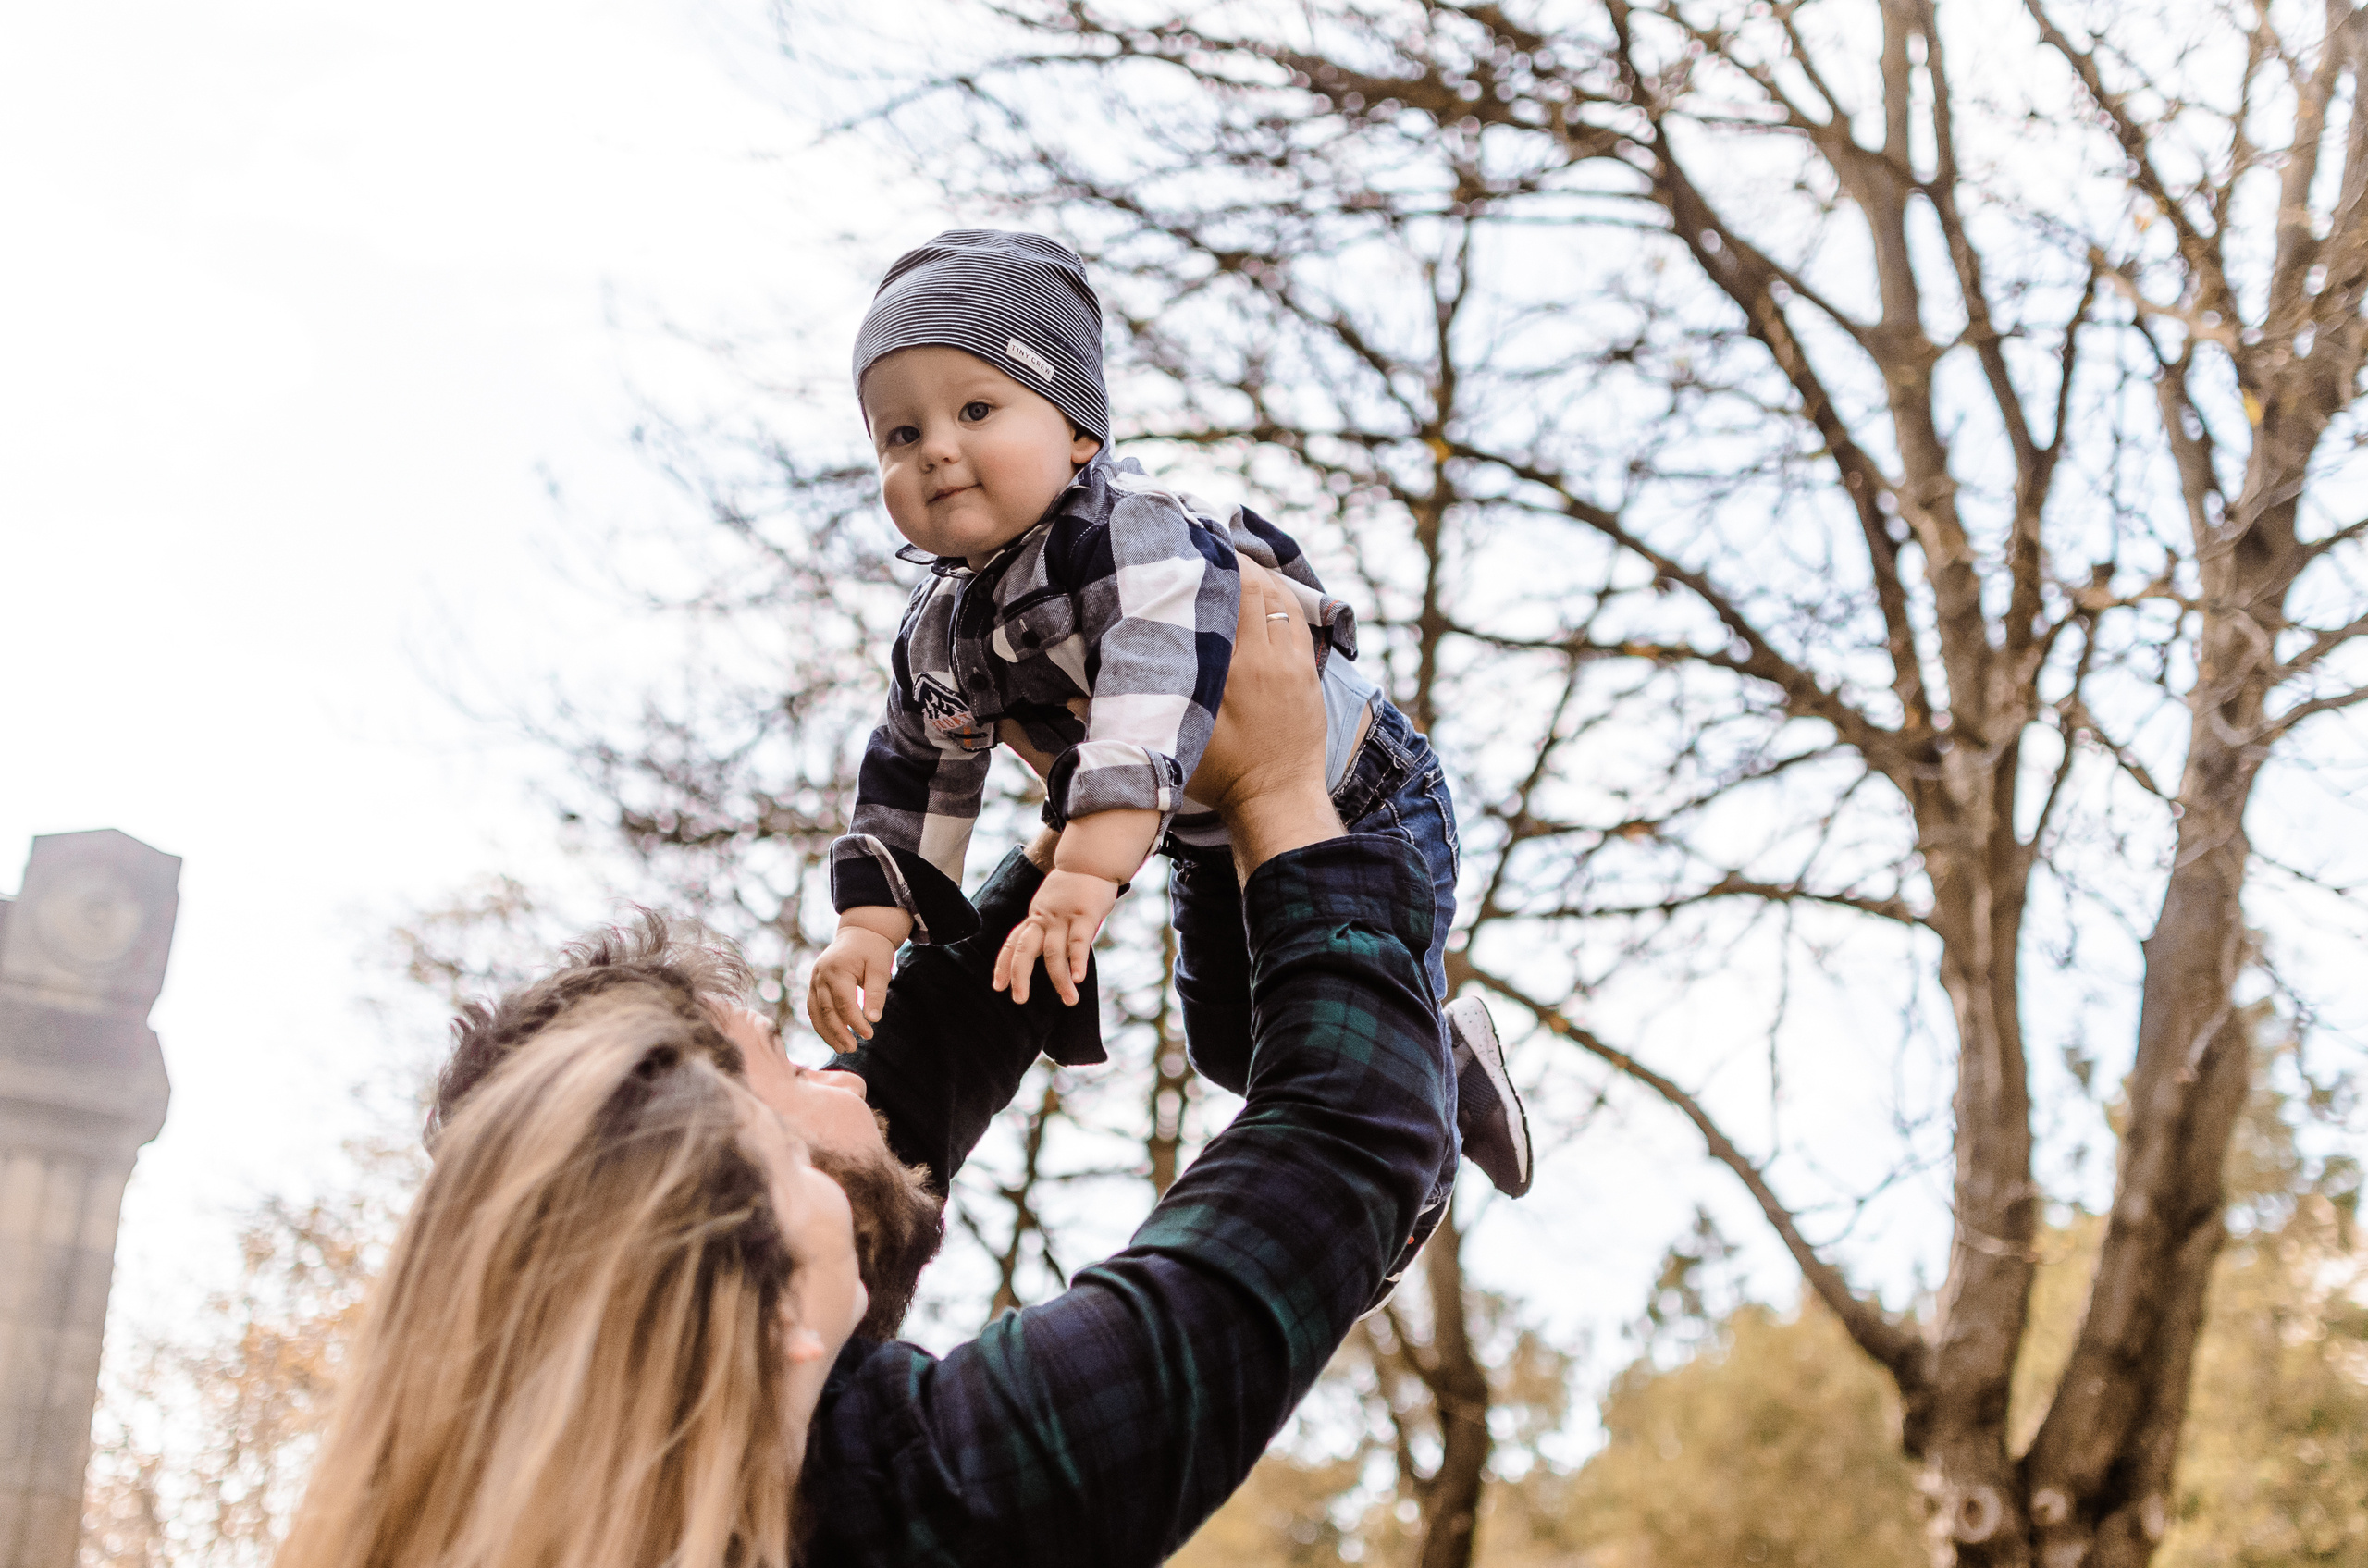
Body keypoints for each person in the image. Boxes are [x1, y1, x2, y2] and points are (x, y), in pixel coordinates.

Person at [273, 573, 1458, 1568]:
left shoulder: (683, 1451)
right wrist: (1280, 790)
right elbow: (1336, 1144)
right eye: (784, 1084)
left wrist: (1087, 821)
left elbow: (892, 1101)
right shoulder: (927, 1505)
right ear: (776, 1302)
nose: (842, 1079)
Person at [807, 230, 1533, 1258]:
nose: (933, 448)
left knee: (1330, 1045)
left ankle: (1387, 1198)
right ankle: (1451, 1056)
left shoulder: (1132, 532)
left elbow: (1153, 681)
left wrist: (1087, 871)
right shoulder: (942, 625)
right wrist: (869, 928)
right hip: (1201, 830)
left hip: (1361, 797)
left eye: (976, 409)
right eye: (897, 433)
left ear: (1077, 435)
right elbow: (915, 768)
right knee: (1233, 1046)